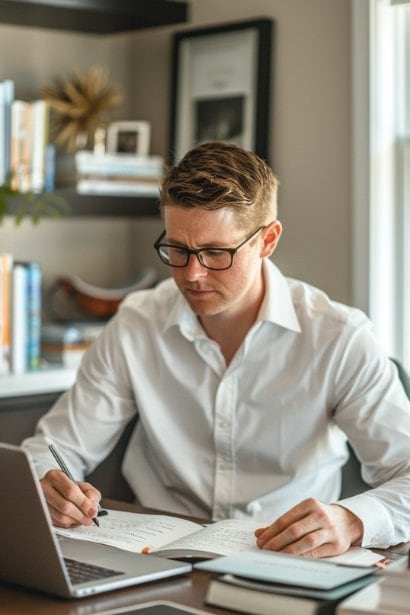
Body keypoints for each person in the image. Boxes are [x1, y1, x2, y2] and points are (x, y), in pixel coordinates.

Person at [23, 141, 410, 559]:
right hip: (154, 557)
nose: (192, 274)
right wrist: (48, 484)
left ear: (268, 241)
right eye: (178, 249)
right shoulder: (137, 325)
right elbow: (53, 447)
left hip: (286, 562)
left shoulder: (339, 337)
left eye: (215, 253)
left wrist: (351, 521)